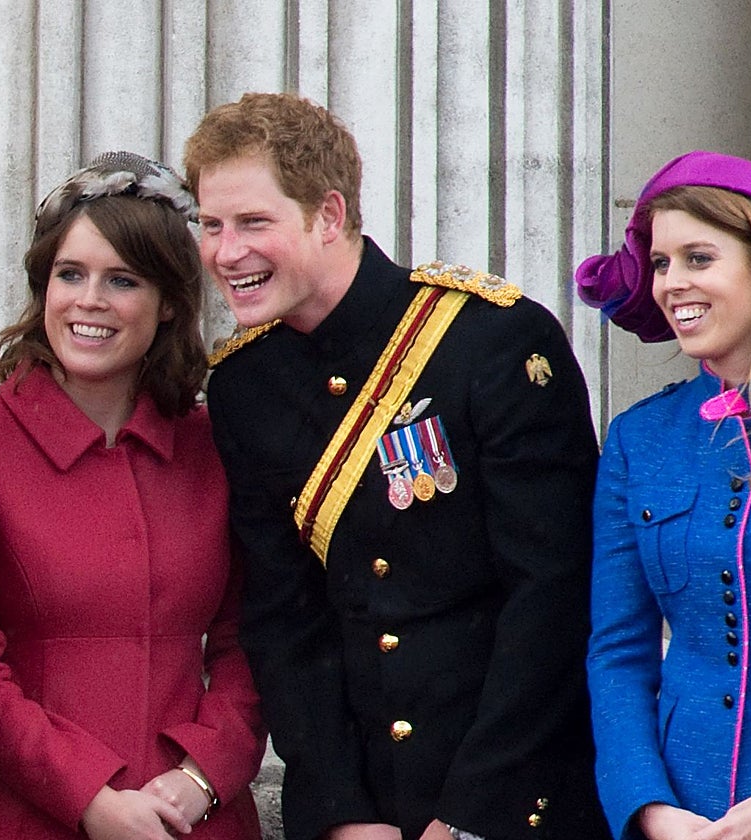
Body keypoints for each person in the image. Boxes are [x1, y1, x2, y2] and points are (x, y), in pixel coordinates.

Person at [183, 92, 612, 840]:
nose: (225, 252)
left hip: (514, 799)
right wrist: (342, 814)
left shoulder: (492, 340)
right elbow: (285, 622)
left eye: (254, 223)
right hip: (371, 806)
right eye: (210, 225)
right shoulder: (246, 385)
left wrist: (472, 815)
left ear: (327, 214)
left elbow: (552, 598)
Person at [0, 151, 267, 840]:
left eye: (122, 280)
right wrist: (92, 799)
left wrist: (200, 777)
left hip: (190, 820)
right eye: (70, 275)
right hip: (17, 816)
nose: (89, 300)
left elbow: (251, 641)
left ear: (170, 301)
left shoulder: (218, 447)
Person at [578, 151, 751, 840]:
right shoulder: (638, 439)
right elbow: (617, 650)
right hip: (686, 807)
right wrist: (647, 807)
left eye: (698, 258)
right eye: (659, 263)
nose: (672, 283)